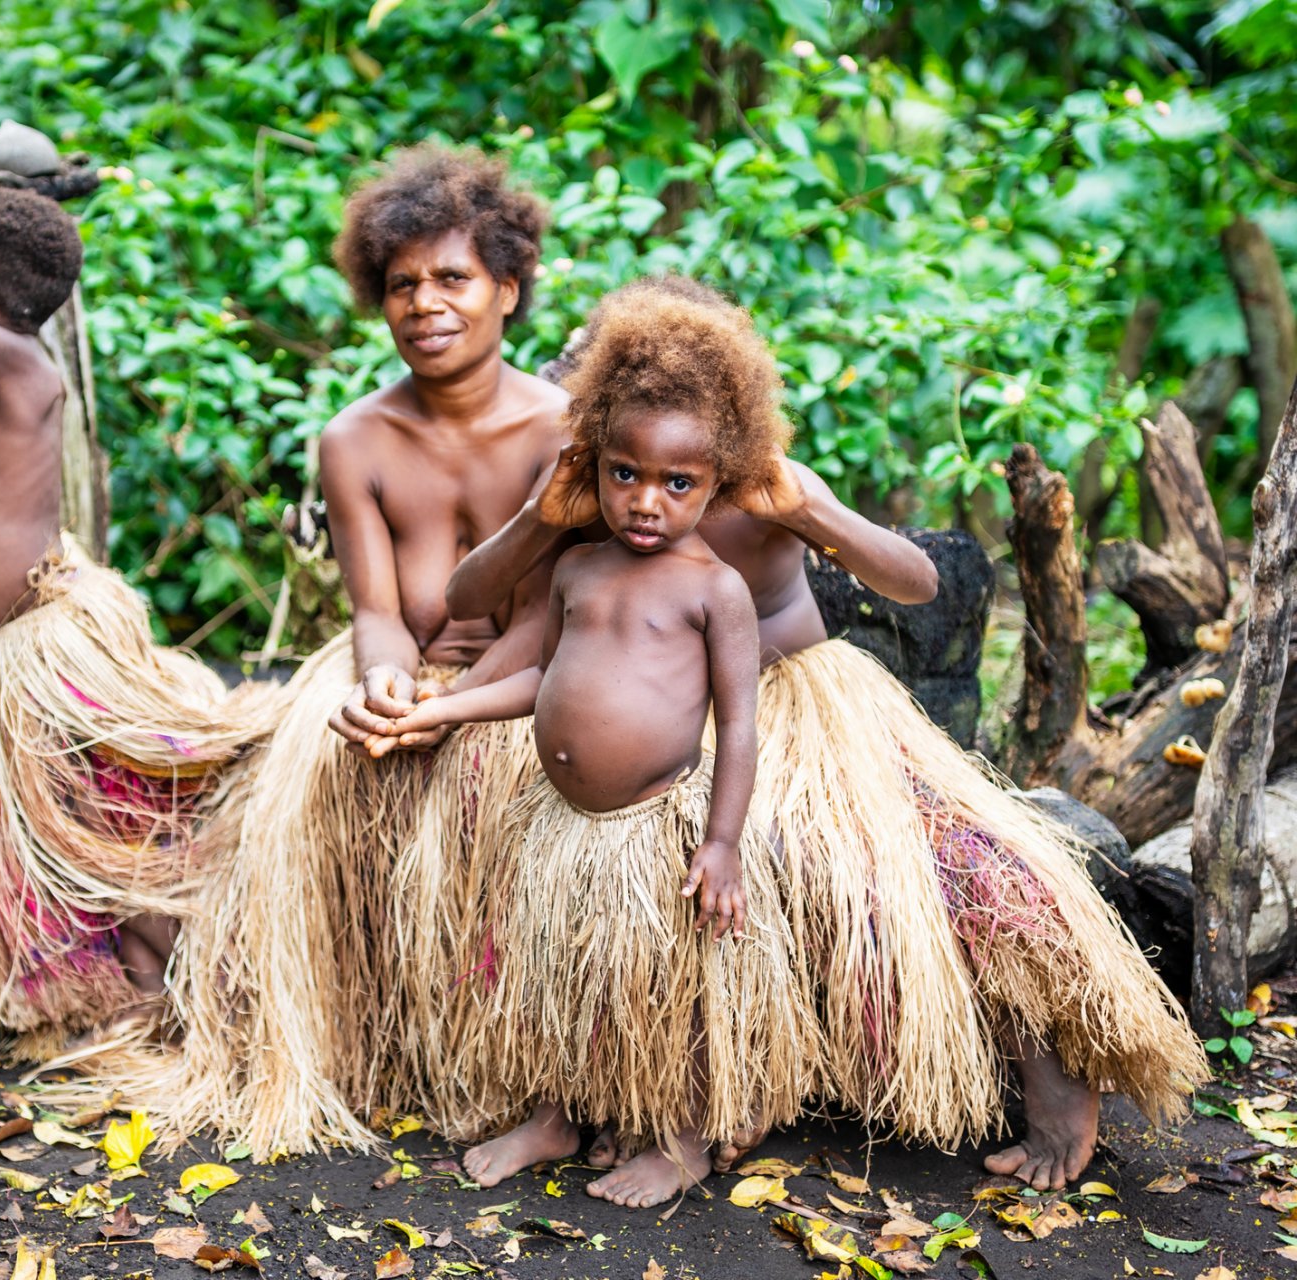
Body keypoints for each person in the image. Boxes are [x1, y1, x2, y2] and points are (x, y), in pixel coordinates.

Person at [447, 275, 1210, 1191]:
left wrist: (809, 513)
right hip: (654, 736)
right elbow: (519, 625)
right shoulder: (600, 488)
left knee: (924, 859)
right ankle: (625, 1101)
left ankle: (1050, 1068)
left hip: (794, 706)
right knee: (626, 893)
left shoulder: (765, 480)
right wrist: (447, 691)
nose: (647, 487)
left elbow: (919, 582)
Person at [87, 145, 569, 1157]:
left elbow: (558, 611)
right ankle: (351, 1044)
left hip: (531, 687)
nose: (425, 303)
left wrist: (456, 707)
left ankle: (514, 1063)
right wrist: (388, 681)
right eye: (402, 285)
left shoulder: (565, 429)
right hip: (401, 676)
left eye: (452, 278)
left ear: (508, 289)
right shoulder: (356, 438)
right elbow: (377, 607)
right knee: (323, 780)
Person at [379, 280, 810, 1207]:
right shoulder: (576, 564)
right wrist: (446, 710)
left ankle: (683, 1136)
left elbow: (737, 722)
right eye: (624, 474)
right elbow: (543, 679)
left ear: (721, 481)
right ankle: (554, 1113)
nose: (645, 501)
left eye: (678, 483)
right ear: (594, 464)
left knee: (672, 991)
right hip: (561, 824)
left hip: (656, 825)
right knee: (557, 977)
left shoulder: (714, 590)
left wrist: (724, 844)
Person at [0, 189, 281, 1055]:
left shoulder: (10, 359)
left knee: (101, 811)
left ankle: (160, 973)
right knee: (72, 822)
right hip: (10, 642)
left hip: (45, 637)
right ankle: (124, 976)